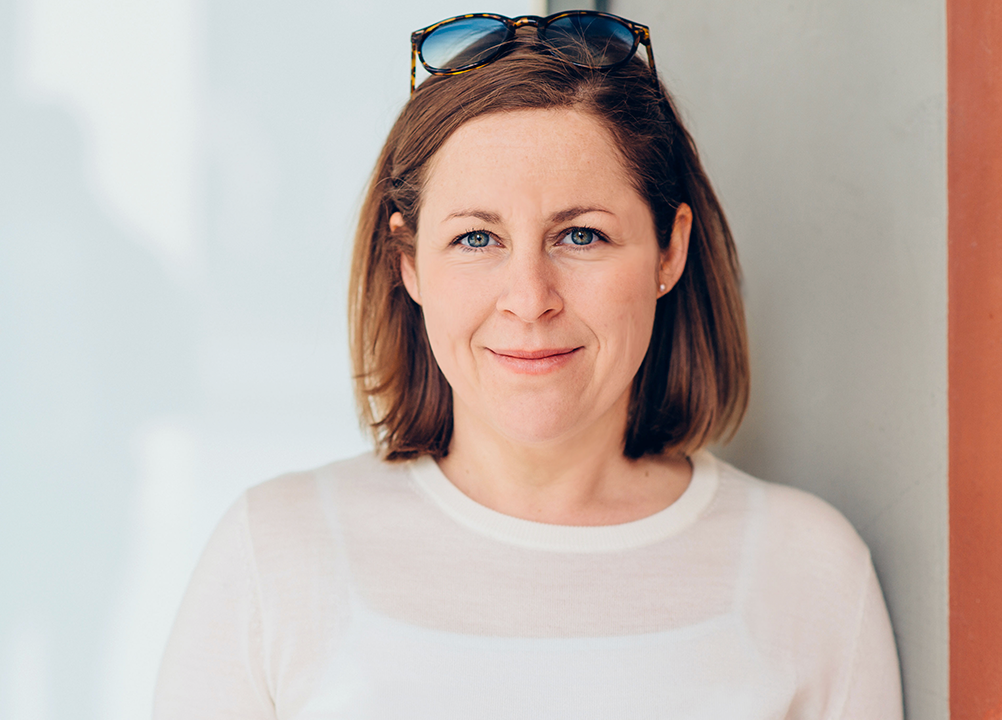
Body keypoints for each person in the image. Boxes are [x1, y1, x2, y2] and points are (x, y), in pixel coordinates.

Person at [153, 11, 902, 719]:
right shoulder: (275, 553)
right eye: (477, 240)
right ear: (407, 262)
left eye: (580, 236)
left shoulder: (807, 571)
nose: (529, 299)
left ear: (669, 250)